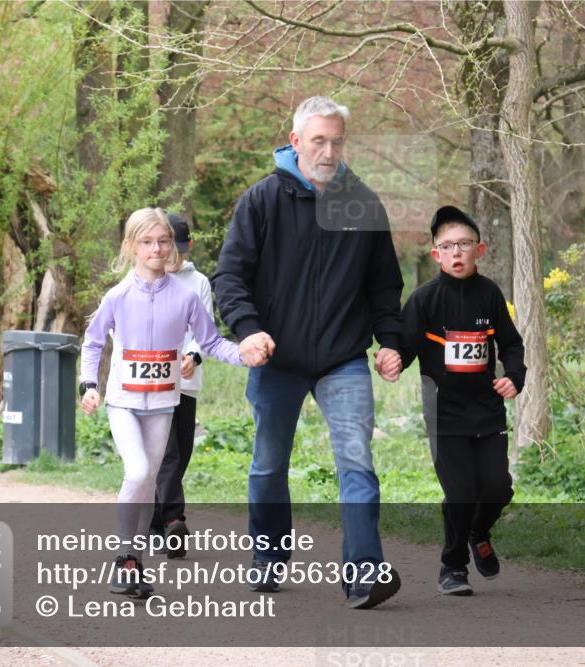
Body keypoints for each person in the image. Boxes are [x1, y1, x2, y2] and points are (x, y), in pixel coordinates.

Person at [212, 96, 405, 609]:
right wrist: (248, 330)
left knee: (357, 461)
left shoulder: (363, 204)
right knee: (268, 465)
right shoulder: (261, 200)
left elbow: (384, 287)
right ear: (296, 141)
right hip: (277, 358)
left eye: (337, 142)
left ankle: (364, 573)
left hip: (344, 359)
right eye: (318, 140)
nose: (328, 151)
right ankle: (268, 556)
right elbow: (229, 276)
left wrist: (391, 342)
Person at [79, 207, 251, 598]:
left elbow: (211, 342)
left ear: (172, 245)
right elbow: (92, 342)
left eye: (162, 241)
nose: (156, 249)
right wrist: (88, 385)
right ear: (131, 246)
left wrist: (244, 354)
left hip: (163, 405)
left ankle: (133, 564)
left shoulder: (186, 296)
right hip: (123, 403)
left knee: (147, 484)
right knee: (138, 472)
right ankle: (124, 557)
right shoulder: (118, 296)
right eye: (147, 242)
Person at [397, 205, 526, 596]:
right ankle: (452, 566)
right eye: (448, 246)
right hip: (445, 414)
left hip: (486, 411)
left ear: (479, 250)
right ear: (436, 254)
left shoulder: (490, 295)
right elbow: (403, 348)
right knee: (461, 493)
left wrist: (514, 377)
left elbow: (512, 345)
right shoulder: (424, 300)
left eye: (465, 244)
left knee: (499, 488)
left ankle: (478, 531)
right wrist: (391, 359)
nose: (457, 252)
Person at [150, 213, 212, 558]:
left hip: (186, 382)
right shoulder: (144, 278)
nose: (176, 257)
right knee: (168, 453)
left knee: (181, 453)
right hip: (151, 382)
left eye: (181, 251)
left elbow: (205, 329)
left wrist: (194, 356)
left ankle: (153, 525)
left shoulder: (198, 282)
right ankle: (174, 520)